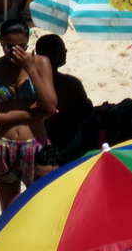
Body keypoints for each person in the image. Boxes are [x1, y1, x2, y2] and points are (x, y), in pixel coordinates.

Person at [0, 19, 58, 210]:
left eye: (21, 47)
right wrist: (28, 114)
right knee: (9, 211)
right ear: (1, 42)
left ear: (27, 43)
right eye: (9, 47)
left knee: (40, 207)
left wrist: (30, 69)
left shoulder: (40, 63)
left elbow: (50, 106)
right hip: (3, 147)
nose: (15, 52)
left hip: (35, 145)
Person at [35, 35, 94, 169]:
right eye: (62, 49)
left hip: (40, 145)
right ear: (51, 55)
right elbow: (86, 112)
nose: (66, 51)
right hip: (68, 147)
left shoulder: (30, 83)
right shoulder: (70, 84)